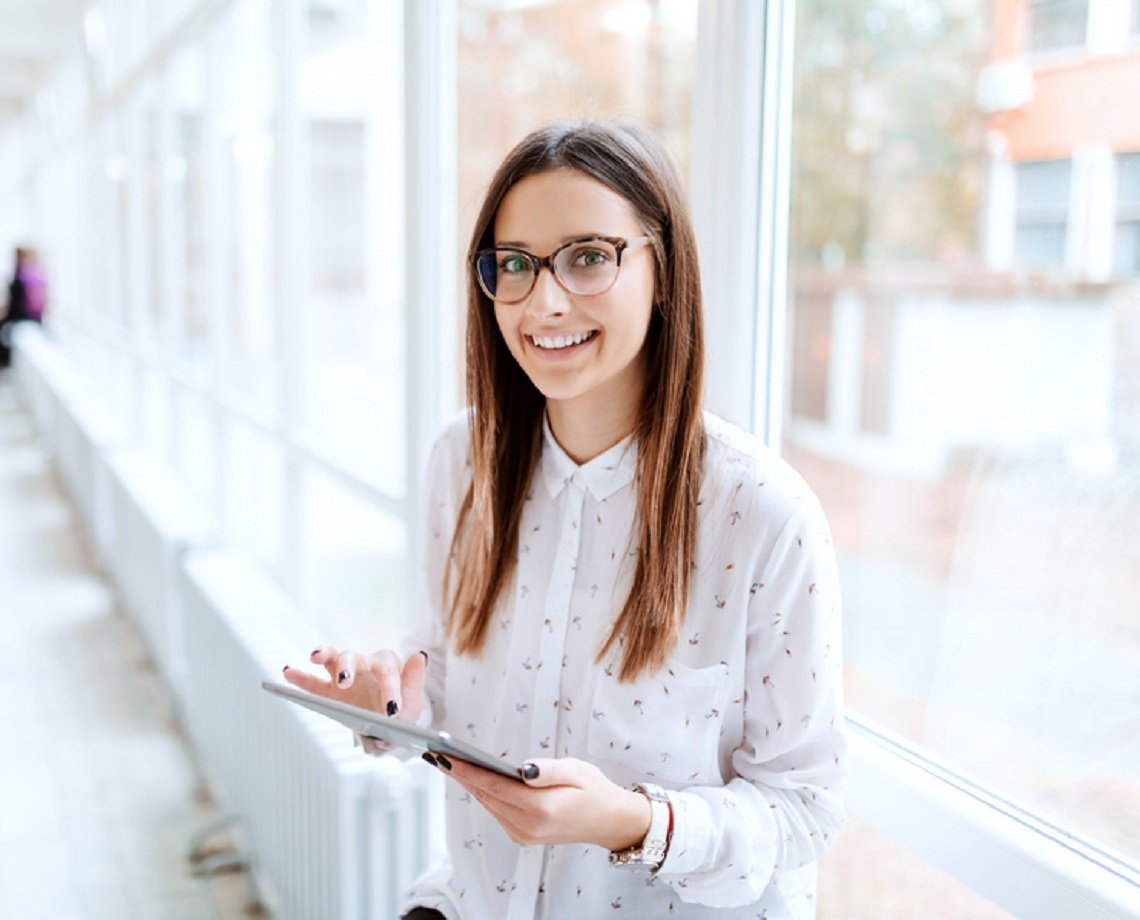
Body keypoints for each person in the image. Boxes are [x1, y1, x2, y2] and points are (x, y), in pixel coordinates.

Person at [284, 119, 846, 919]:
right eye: (514, 265)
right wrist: (396, 704)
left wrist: (633, 822)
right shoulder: (463, 460)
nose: (544, 301)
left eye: (588, 258)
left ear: (663, 271)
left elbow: (805, 809)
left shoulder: (762, 513)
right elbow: (446, 668)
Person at [0, 247, 47, 368]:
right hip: (25, 316)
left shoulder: (27, 277)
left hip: (24, 317)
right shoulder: (30, 275)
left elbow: (30, 302)